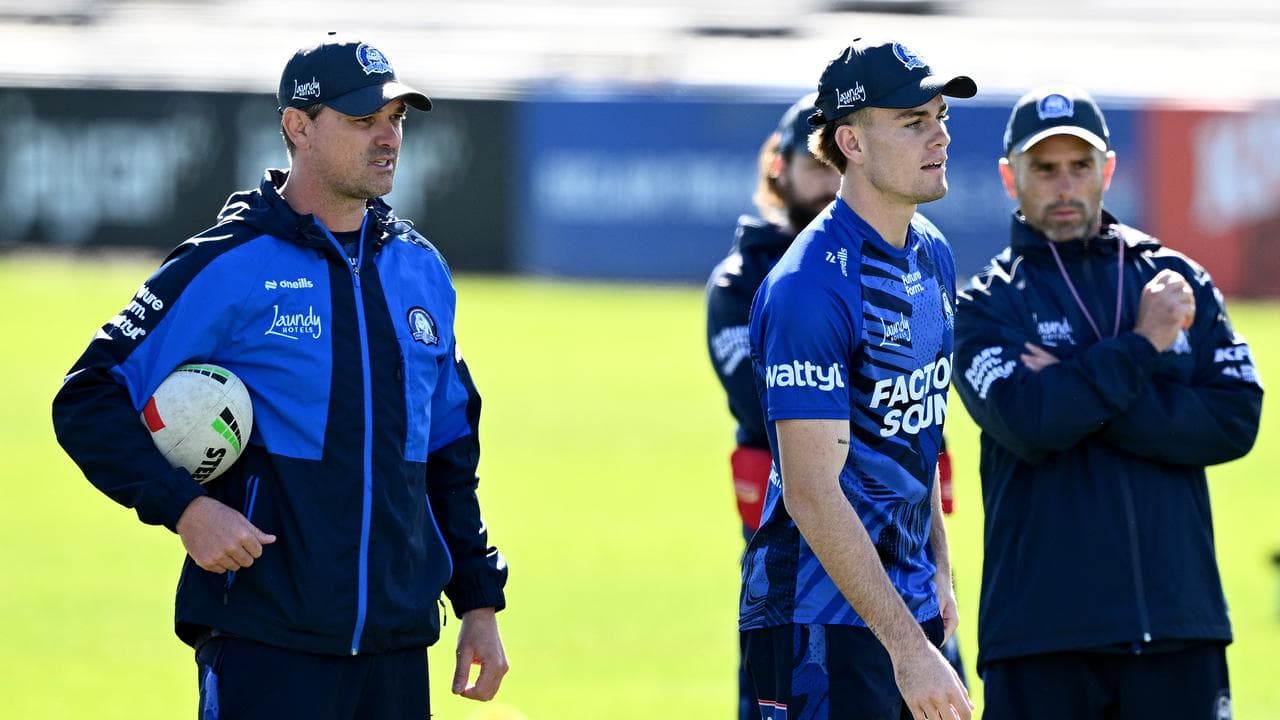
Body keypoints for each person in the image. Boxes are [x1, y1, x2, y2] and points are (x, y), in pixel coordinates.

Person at [51, 36, 509, 718]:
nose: (388, 138)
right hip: (267, 643)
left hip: (396, 650)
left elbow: (447, 451)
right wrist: (185, 508)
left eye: (397, 120)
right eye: (363, 121)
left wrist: (476, 599)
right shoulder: (229, 263)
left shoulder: (421, 271)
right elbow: (88, 397)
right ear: (299, 127)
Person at [953, 86, 1263, 719]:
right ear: (1011, 177)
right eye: (1044, 169)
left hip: (1179, 627)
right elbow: (1031, 421)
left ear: (1109, 170)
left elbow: (1234, 421)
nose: (1064, 185)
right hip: (1041, 639)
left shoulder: (1177, 280)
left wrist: (1075, 388)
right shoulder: (984, 304)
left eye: (1079, 166)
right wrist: (1145, 346)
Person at [740, 38, 975, 720]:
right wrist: (908, 647)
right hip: (818, 621)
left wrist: (938, 569)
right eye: (914, 122)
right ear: (853, 142)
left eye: (941, 118)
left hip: (904, 608)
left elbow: (917, 430)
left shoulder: (933, 255)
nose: (940, 137)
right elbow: (812, 492)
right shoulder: (809, 285)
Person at [706, 92, 841, 720]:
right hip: (783, 551)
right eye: (816, 165)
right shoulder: (740, 282)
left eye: (840, 167)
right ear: (778, 168)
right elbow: (766, 403)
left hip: (898, 549)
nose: (830, 184)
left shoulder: (898, 263)